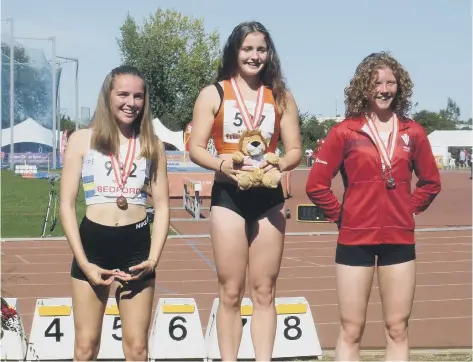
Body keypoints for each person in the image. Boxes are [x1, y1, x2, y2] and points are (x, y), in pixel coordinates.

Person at [305, 51, 441, 361]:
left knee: (397, 328)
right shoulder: (345, 132)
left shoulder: (413, 132)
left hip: (399, 239)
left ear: (400, 87)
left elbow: (431, 181)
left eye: (391, 82)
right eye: (377, 82)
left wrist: (408, 210)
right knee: (351, 330)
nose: (384, 89)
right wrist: (343, 216)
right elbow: (316, 184)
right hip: (355, 239)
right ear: (363, 88)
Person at [189, 21, 302, 361]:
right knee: (230, 291)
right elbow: (195, 147)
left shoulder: (280, 96)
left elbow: (295, 149)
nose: (255, 56)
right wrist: (222, 164)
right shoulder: (215, 93)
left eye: (261, 50)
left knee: (265, 291)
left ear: (270, 54)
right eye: (248, 49)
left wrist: (278, 165)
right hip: (229, 196)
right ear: (235, 52)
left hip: (268, 196)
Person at [60, 65, 170, 361]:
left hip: (136, 249)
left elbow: (161, 206)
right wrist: (84, 263)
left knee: (137, 349)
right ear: (108, 96)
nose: (130, 103)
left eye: (138, 96)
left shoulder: (152, 144)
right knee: (86, 347)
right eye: (122, 94)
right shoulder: (82, 140)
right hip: (93, 247)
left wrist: (153, 259)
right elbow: (66, 206)